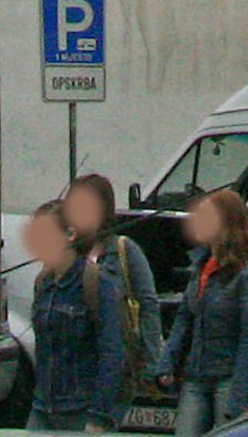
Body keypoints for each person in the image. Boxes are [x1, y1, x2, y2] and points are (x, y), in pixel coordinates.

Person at [166, 186, 248, 433]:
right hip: (196, 374)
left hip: (229, 375)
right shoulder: (200, 268)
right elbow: (185, 318)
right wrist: (167, 362)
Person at [23, 202, 128, 433]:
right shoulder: (43, 284)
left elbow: (112, 354)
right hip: (43, 407)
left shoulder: (96, 283)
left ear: (70, 234)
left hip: (81, 410)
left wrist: (99, 416)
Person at [63, 176, 161, 418]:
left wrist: (152, 363)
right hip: (74, 370)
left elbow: (148, 305)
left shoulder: (123, 250)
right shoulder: (70, 252)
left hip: (114, 364)